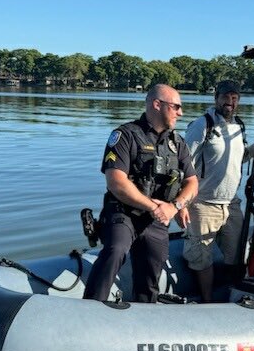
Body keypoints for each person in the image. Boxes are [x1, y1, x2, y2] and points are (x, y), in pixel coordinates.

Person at [83, 84, 199, 303]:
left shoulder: (177, 143)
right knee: (116, 250)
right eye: (176, 107)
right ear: (157, 104)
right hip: (123, 213)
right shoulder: (125, 135)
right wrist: (154, 207)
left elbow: (192, 182)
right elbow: (116, 182)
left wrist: (176, 206)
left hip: (157, 219)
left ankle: (144, 312)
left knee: (152, 271)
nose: (180, 113)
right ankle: (90, 306)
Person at [183, 80, 254, 301]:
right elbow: (183, 164)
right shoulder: (201, 125)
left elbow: (240, 158)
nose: (229, 102)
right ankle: (207, 302)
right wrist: (181, 203)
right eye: (225, 97)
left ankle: (231, 296)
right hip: (203, 204)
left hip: (232, 204)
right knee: (200, 259)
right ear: (216, 98)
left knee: (236, 256)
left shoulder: (239, 126)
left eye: (234, 98)